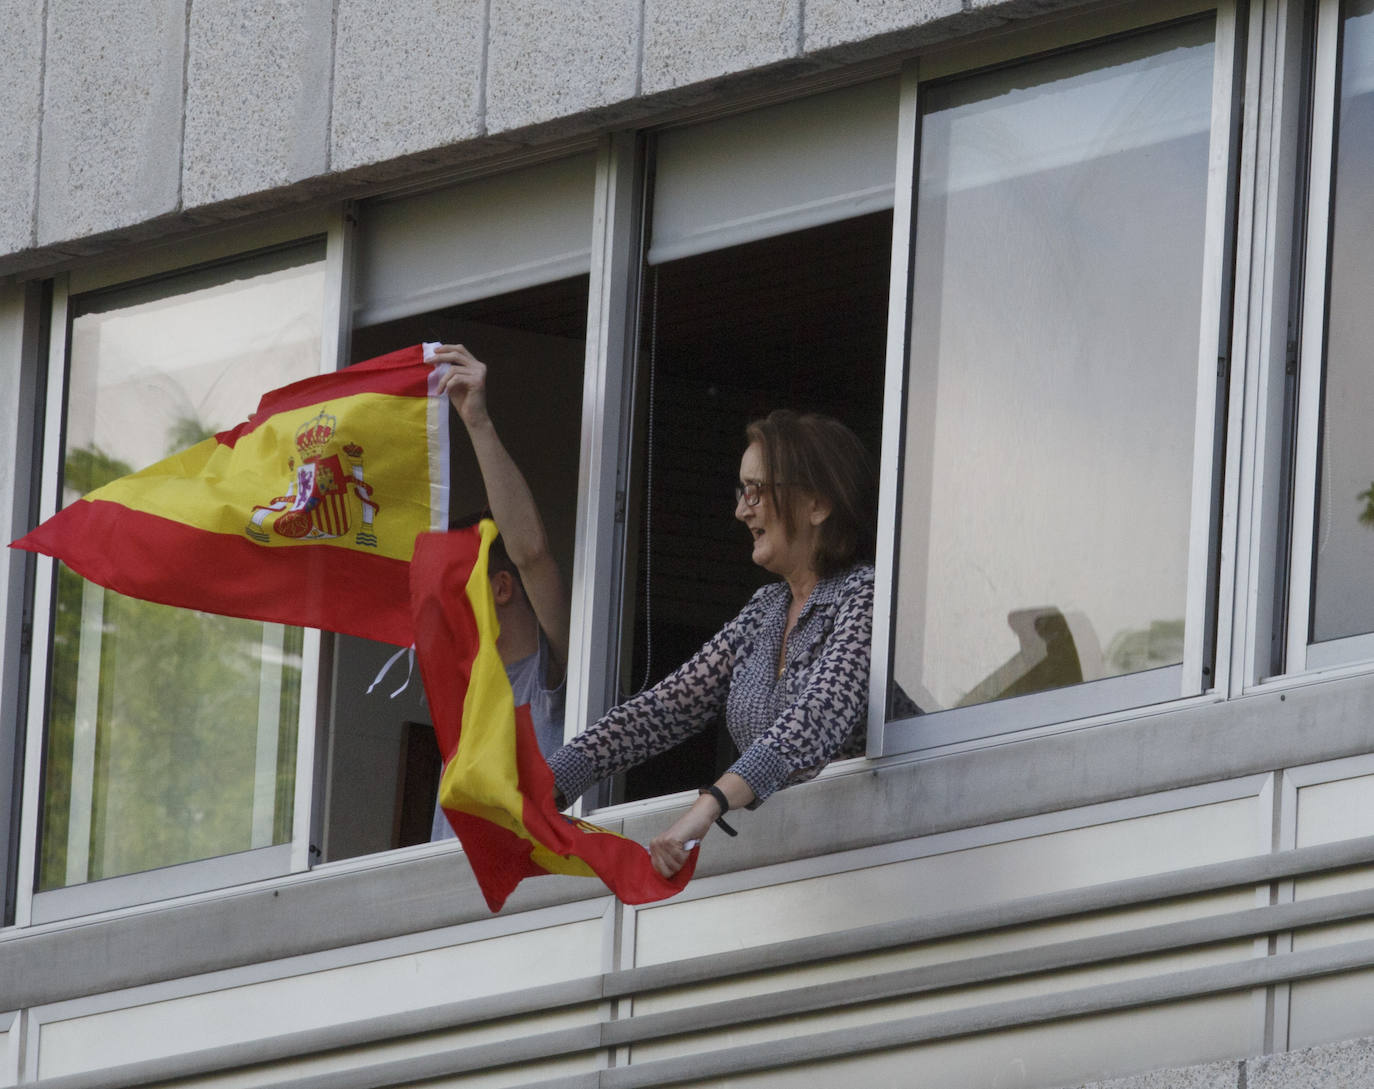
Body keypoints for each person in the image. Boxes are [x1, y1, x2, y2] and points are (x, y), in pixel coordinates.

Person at [547, 409, 878, 879]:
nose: (742, 509)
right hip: (793, 876)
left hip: (877, 861)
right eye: (742, 491)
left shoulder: (866, 596)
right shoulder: (766, 609)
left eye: (757, 491)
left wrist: (708, 806)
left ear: (818, 505)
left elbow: (818, 718)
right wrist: (551, 780)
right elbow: (663, 709)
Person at [429, 343, 570, 842]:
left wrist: (477, 422)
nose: (441, 604)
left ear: (502, 588)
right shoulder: (464, 700)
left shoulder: (549, 678)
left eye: (455, 587)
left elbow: (530, 552)